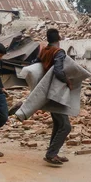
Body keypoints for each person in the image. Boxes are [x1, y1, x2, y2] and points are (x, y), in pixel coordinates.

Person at [34, 28, 73, 166]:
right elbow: (58, 71)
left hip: (46, 91)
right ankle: (51, 154)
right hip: (57, 92)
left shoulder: (44, 50)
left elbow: (36, 64)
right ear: (59, 39)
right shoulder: (58, 52)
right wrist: (67, 81)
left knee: (58, 124)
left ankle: (52, 152)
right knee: (66, 126)